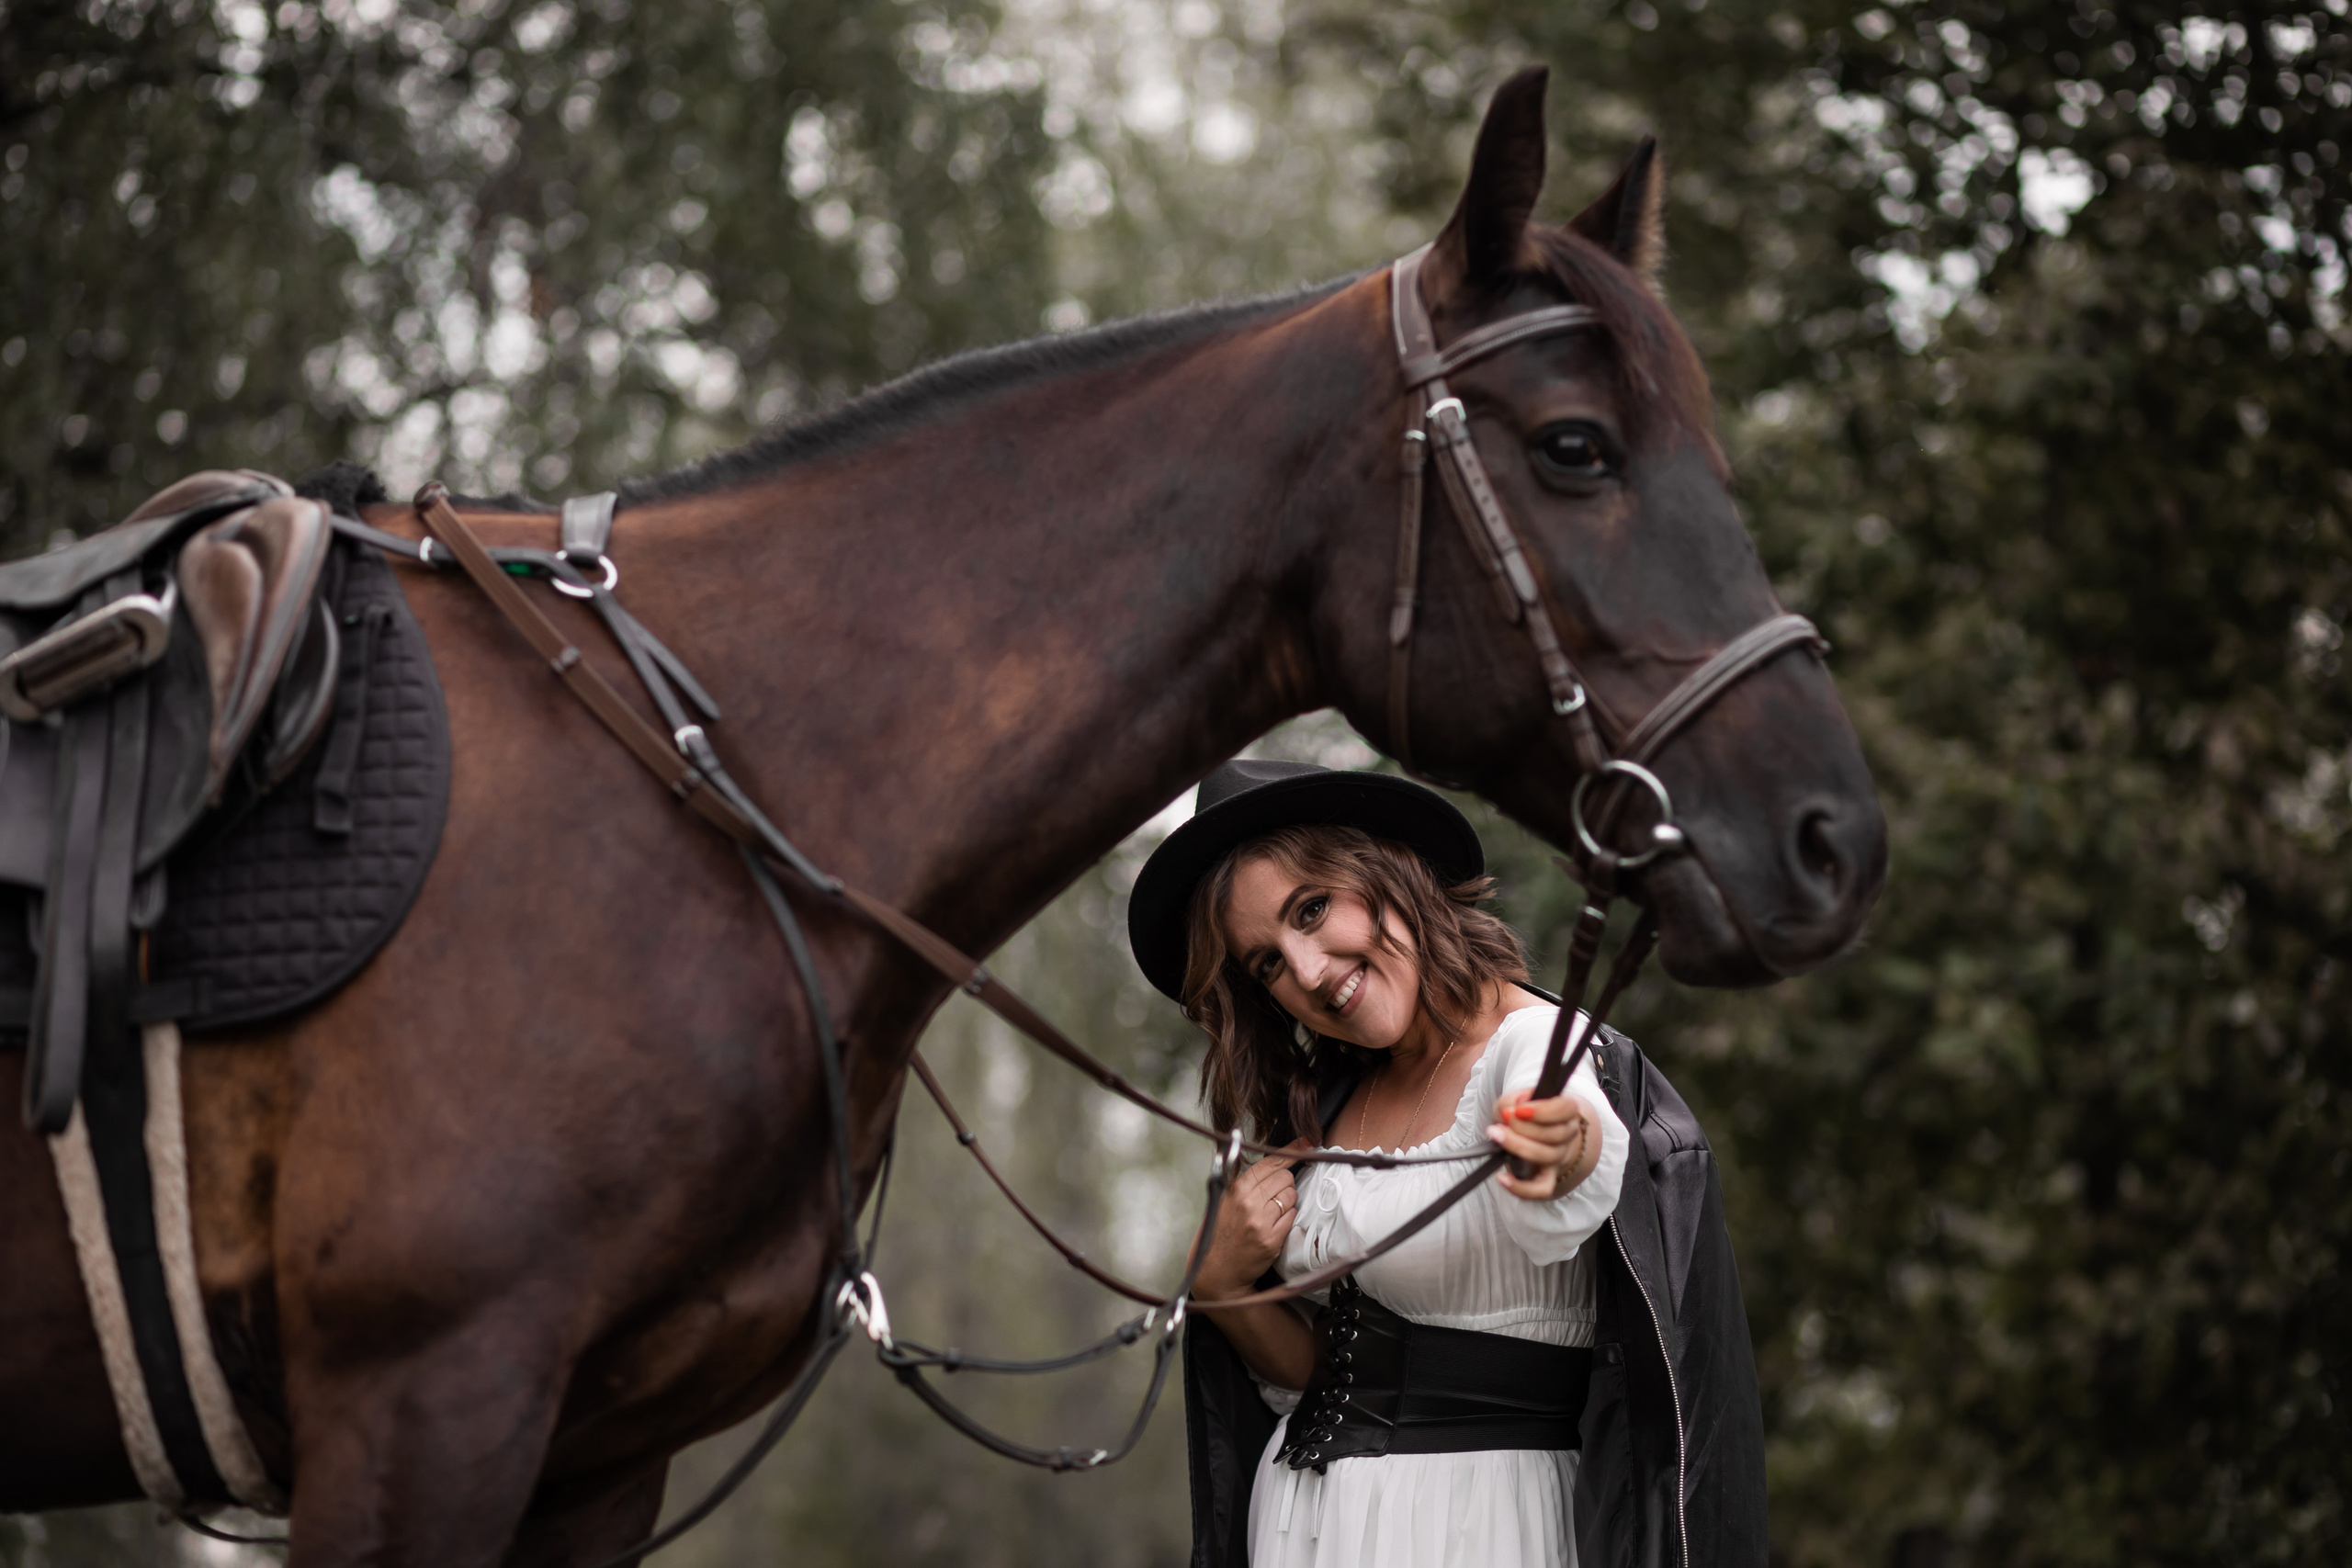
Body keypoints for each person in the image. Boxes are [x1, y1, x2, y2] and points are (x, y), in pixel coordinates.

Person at [1125, 758, 1768, 1568]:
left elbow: (1573, 1144)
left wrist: (1560, 1145)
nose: (1310, 972)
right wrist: (1219, 1286)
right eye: (1269, 963)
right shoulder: (1320, 1106)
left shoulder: (1531, 1043)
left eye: (1313, 908)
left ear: (1385, 869)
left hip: (1475, 1526)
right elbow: (1326, 1381)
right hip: (1302, 1531)